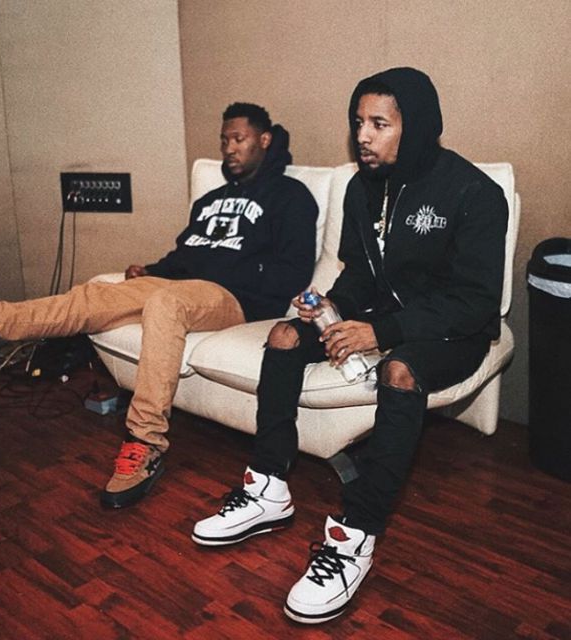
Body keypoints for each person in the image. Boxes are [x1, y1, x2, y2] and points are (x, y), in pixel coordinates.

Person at [193, 68, 509, 624]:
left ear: (416, 126)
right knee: (284, 334)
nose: (362, 135)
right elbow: (361, 275)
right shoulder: (364, 187)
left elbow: (475, 302)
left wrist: (380, 334)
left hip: (452, 331)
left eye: (379, 124)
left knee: (399, 371)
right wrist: (330, 306)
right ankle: (269, 488)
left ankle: (354, 537)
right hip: (381, 316)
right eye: (358, 122)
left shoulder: (474, 193)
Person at [0, 102, 318, 510]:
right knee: (92, 296)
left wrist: (224, 274)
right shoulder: (211, 200)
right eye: (224, 140)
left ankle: (145, 442)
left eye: (238, 139)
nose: (229, 148)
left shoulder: (292, 197)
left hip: (234, 297)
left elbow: (292, 273)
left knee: (165, 302)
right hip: (181, 284)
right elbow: (185, 255)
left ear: (264, 140)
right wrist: (150, 270)